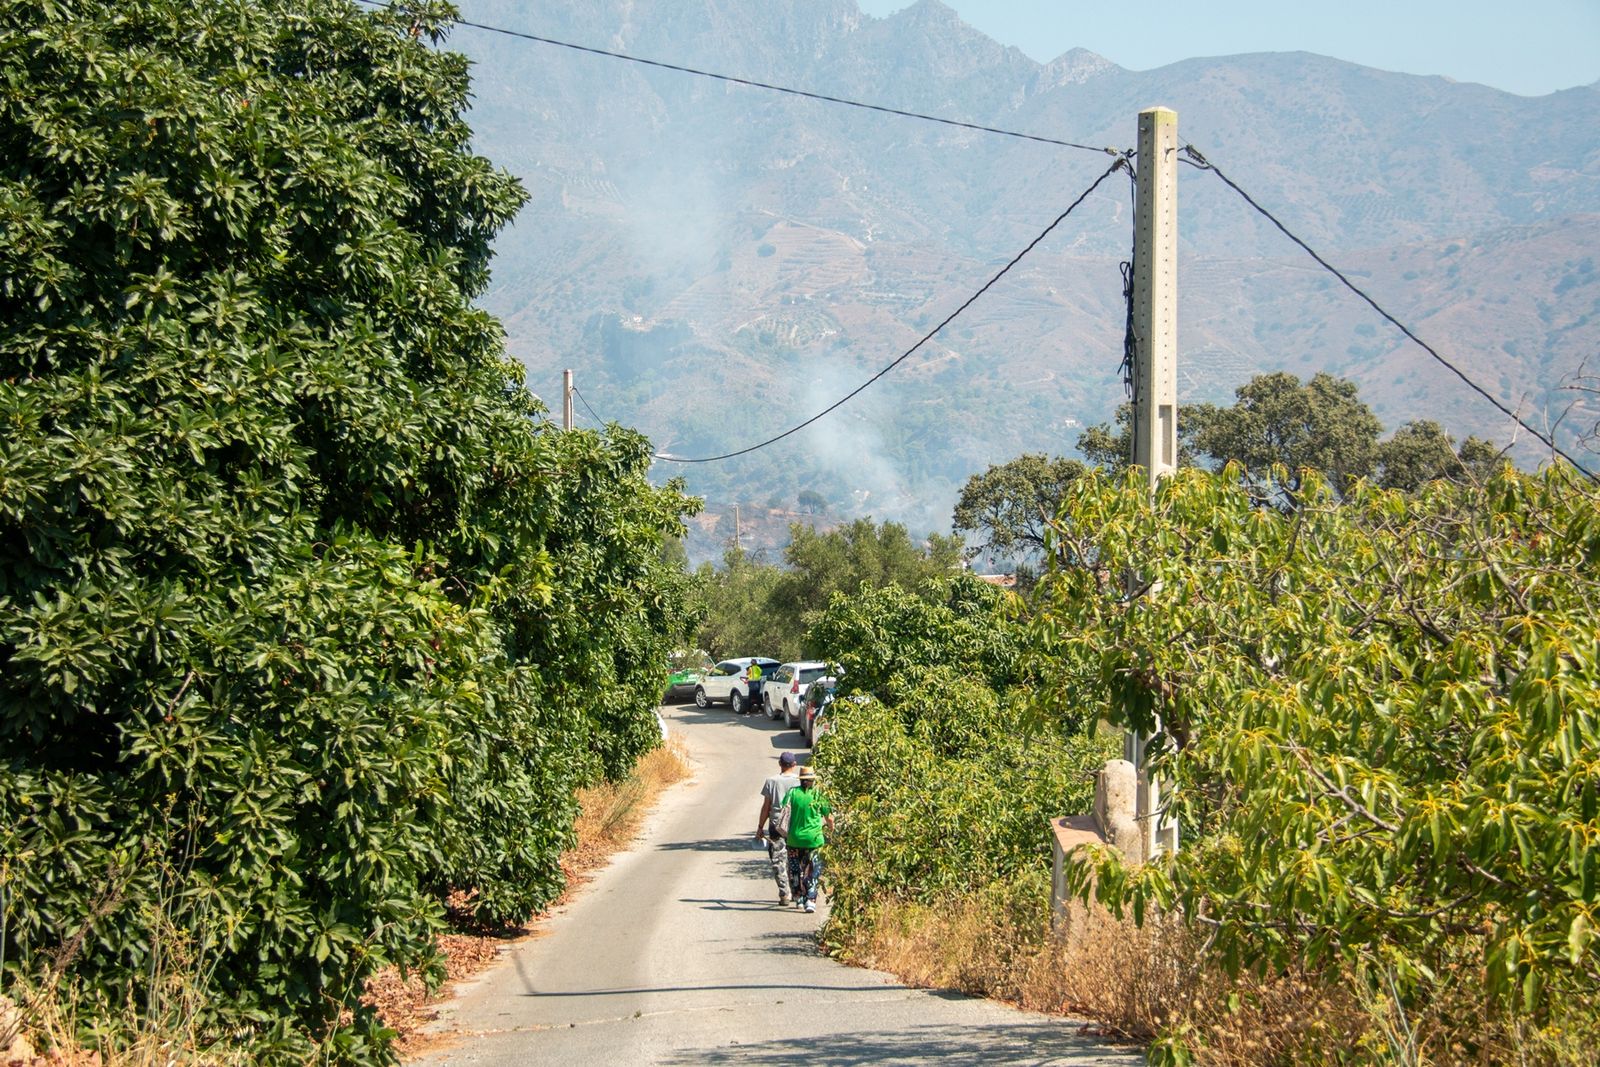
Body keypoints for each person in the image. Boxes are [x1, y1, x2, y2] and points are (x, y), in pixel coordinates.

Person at [780, 765, 833, 913]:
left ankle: (799, 899)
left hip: (794, 839)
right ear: (812, 780)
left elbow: (784, 810)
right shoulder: (818, 794)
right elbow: (828, 817)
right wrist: (831, 830)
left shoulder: (792, 793)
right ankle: (810, 899)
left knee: (795, 870)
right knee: (813, 870)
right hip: (814, 840)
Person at [755, 752, 801, 904]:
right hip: (795, 826)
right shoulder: (800, 781)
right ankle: (797, 892)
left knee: (778, 860)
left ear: (780, 764)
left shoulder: (771, 781)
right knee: (796, 860)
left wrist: (760, 827)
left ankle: (784, 893)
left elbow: (766, 807)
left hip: (776, 825)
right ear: (794, 765)